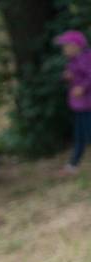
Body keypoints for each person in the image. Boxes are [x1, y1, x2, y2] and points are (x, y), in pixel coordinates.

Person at [54, 30, 91, 176]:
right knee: (80, 136)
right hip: (79, 106)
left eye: (66, 46)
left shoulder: (86, 58)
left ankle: (72, 165)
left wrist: (82, 87)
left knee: (86, 135)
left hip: (88, 105)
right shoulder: (73, 61)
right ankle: (72, 166)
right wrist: (67, 77)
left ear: (76, 46)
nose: (64, 49)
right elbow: (73, 77)